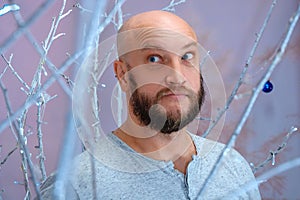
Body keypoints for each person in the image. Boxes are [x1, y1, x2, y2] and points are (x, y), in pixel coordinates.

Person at [39, 10, 261, 199]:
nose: (176, 77)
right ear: (123, 74)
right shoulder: (75, 185)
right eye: (154, 59)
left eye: (186, 57)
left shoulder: (232, 165)